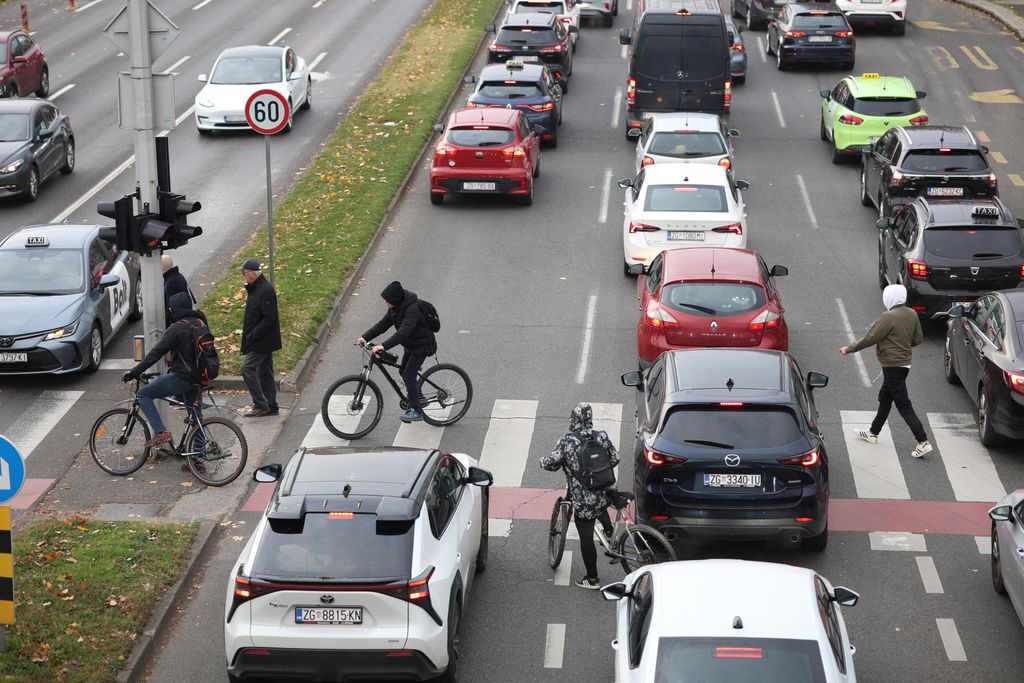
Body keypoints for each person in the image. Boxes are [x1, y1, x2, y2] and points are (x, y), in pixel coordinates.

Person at [840, 283, 933, 459]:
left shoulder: (888, 317)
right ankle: (873, 433)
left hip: (893, 366)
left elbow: (870, 338)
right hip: (904, 365)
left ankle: (923, 441)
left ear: (888, 298)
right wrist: (903, 345)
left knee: (903, 404)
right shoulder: (911, 313)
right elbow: (918, 339)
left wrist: (849, 349)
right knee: (885, 397)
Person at [541, 403, 619, 590]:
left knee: (586, 538)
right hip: (603, 490)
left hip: (582, 499)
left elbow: (552, 463)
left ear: (573, 419)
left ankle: (592, 579)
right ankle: (610, 534)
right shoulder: (601, 436)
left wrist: (542, 461)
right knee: (600, 505)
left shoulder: (567, 441)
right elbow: (615, 458)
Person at [121, 292, 204, 448]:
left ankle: (161, 433)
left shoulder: (177, 328)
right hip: (200, 377)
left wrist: (135, 372)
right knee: (196, 418)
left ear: (175, 309)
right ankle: (197, 460)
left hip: (182, 377)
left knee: (143, 394)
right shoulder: (200, 322)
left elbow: (156, 353)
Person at [356, 281, 436, 423]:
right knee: (403, 371)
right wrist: (365, 337)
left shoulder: (412, 310)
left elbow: (403, 333)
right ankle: (420, 398)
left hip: (422, 345)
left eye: (387, 299)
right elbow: (383, 325)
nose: (385, 302)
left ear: (395, 300)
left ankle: (416, 411)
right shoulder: (395, 308)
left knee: (408, 374)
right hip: (412, 345)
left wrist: (384, 346)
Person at [240, 259, 281, 417]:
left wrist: (252, 336)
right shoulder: (256, 288)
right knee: (265, 372)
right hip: (261, 340)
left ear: (253, 273)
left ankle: (261, 404)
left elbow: (269, 319)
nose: (243, 276)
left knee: (247, 368)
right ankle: (271, 405)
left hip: (262, 341)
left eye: (245, 273)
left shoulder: (265, 290)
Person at [162, 255, 193, 320]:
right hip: (187, 314)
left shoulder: (170, 283)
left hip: (179, 319)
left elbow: (170, 306)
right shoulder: (179, 275)